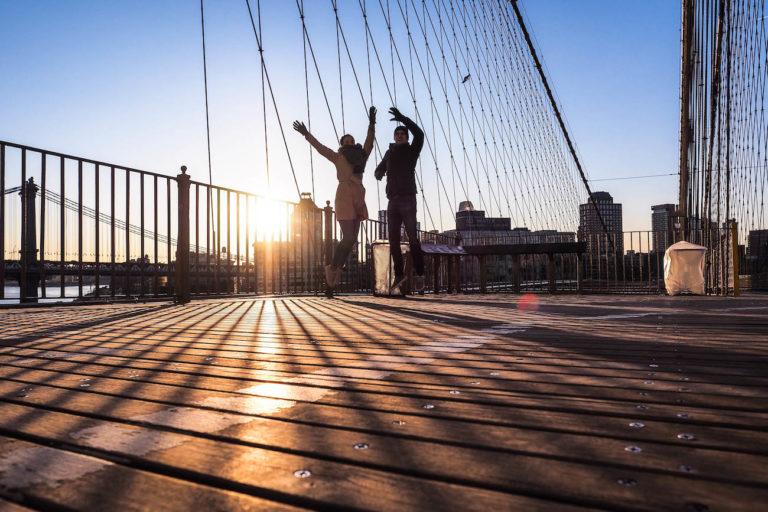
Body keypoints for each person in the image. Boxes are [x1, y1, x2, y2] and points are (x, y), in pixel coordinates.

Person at [293, 106, 376, 293]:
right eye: (347, 141)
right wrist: (307, 134)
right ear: (342, 144)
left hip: (358, 199)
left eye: (352, 140)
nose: (351, 142)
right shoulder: (338, 157)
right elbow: (321, 148)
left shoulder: (362, 156)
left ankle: (332, 276)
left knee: (352, 239)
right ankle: (332, 268)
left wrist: (372, 124)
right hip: (345, 198)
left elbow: (369, 143)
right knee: (348, 237)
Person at [374, 107, 425, 293]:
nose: (400, 135)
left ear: (407, 137)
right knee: (393, 240)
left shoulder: (412, 151)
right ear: (394, 137)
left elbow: (419, 133)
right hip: (392, 201)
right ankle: (399, 274)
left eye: (403, 133)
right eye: (398, 133)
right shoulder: (389, 153)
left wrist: (403, 118)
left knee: (412, 238)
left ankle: (420, 274)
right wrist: (379, 173)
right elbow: (379, 168)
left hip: (408, 199)